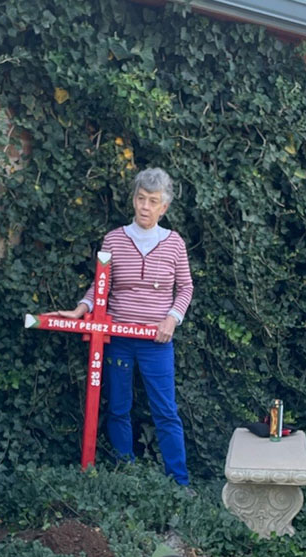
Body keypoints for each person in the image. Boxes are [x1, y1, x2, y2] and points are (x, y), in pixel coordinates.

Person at [54, 167, 194, 487]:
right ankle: (124, 477)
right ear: (133, 200)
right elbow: (100, 286)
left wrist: (172, 318)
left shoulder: (174, 243)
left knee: (166, 411)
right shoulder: (114, 239)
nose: (145, 206)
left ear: (164, 208)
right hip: (117, 338)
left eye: (153, 201)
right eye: (141, 198)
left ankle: (180, 484)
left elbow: (185, 288)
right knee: (118, 407)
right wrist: (81, 309)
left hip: (156, 342)